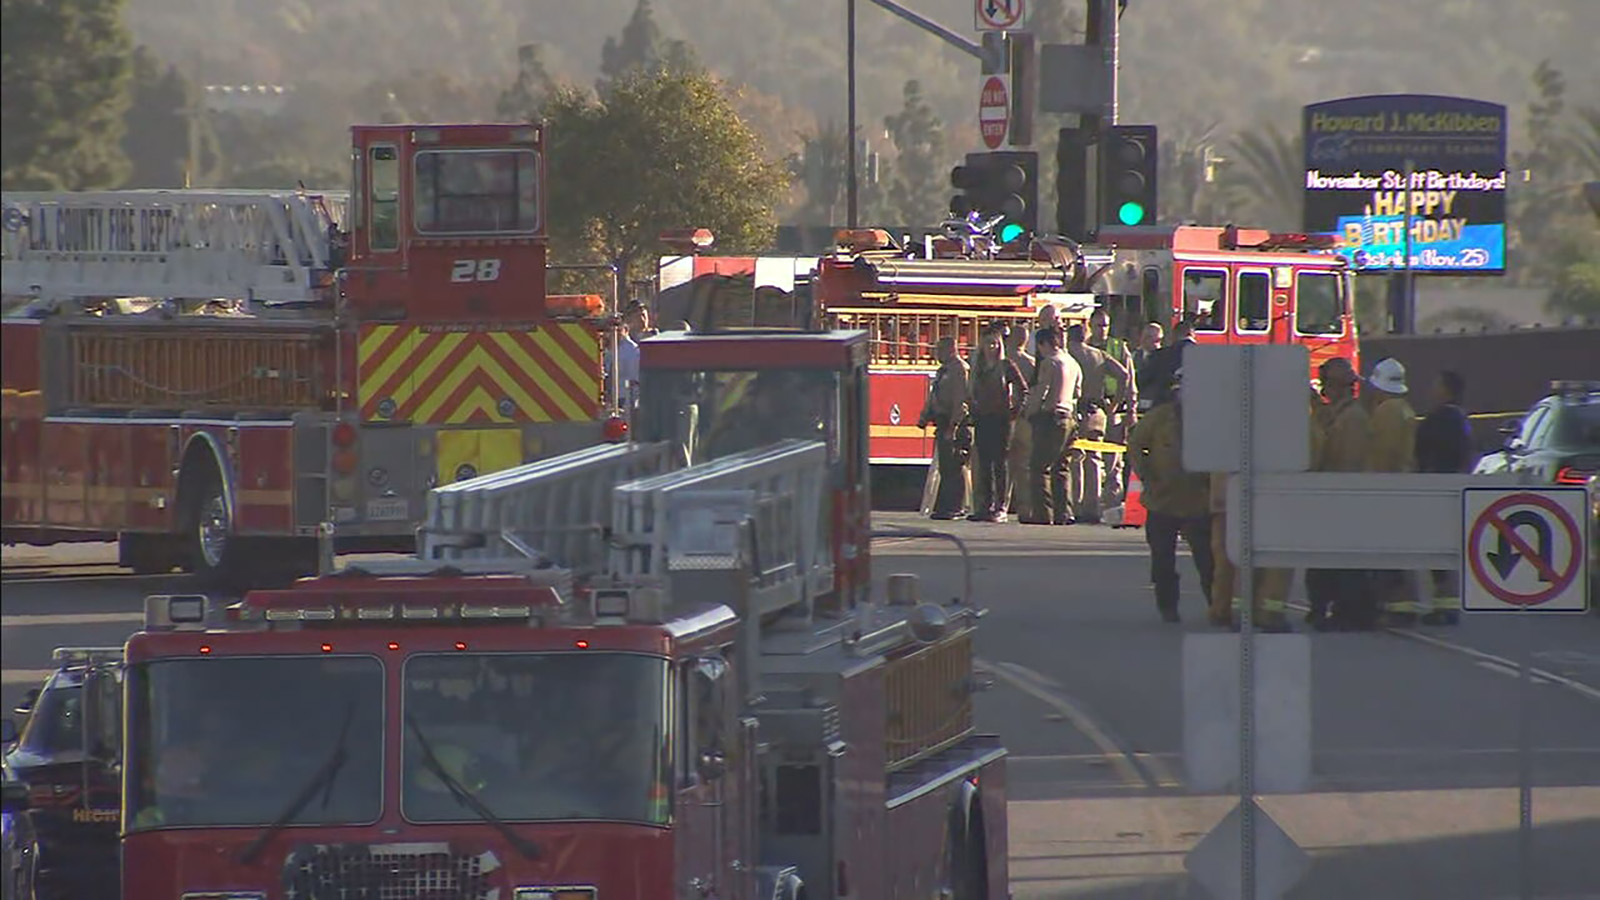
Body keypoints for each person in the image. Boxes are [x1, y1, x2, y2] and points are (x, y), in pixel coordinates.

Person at [1127, 367, 1214, 622]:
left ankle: (1217, 606)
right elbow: (1135, 445)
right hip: (1161, 500)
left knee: (1208, 562)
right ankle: (1168, 608)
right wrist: (1147, 475)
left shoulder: (1210, 420)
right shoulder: (1159, 418)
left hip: (1199, 501)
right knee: (1162, 561)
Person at [1305, 357, 1374, 630]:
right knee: (1324, 561)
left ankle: (1349, 612)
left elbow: (1347, 461)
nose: (1324, 391)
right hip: (1332, 498)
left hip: (1344, 498)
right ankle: (1323, 607)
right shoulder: (1338, 413)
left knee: (1343, 563)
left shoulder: (1353, 419)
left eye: (1326, 386)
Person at [1364, 357, 1421, 626]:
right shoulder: (1405, 409)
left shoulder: (1386, 412)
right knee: (1400, 550)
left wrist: (1373, 486)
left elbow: (1382, 455)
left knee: (1388, 552)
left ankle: (1397, 606)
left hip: (1388, 490)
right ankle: (1403, 603)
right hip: (1405, 487)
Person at [1415, 370, 1473, 625]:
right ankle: (1447, 604)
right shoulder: (1461, 419)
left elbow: (1423, 451)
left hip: (1436, 488)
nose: (1432, 390)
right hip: (1453, 488)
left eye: (1436, 385)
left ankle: (1444, 606)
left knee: (1438, 550)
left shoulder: (1440, 419)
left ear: (1447, 390)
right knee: (1448, 549)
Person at [1066, 323, 1129, 523]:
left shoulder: (1067, 355)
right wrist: (1115, 404)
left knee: (1074, 459)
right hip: (1096, 411)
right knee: (1093, 459)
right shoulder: (1099, 356)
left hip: (1075, 410)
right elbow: (1124, 375)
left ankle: (1075, 505)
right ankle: (1092, 507)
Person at [1021, 327, 1081, 525]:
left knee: (1039, 467)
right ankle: (1064, 513)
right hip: (1069, 418)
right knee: (1061, 468)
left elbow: (1043, 390)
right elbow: (1077, 392)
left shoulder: (1050, 362)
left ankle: (1043, 514)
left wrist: (1031, 411)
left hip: (1051, 418)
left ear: (1044, 344)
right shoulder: (1073, 363)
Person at [968, 323, 1026, 522]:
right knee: (983, 464)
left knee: (999, 464)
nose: (991, 347)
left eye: (994, 343)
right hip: (982, 418)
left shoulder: (1006, 365)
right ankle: (983, 506)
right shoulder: (978, 367)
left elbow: (1023, 389)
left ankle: (1001, 507)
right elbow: (972, 391)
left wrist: (1014, 411)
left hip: (1001, 420)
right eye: (987, 344)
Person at [919, 336, 971, 520]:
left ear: (951, 349)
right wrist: (925, 416)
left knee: (954, 466)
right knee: (945, 467)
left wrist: (954, 426)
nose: (936, 353)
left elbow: (961, 400)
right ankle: (945, 506)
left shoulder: (959, 370)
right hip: (941, 421)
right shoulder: (943, 370)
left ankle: (955, 507)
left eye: (940, 349)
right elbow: (934, 395)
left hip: (953, 423)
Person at [1004, 323, 1036, 518]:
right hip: (1025, 419)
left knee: (1004, 465)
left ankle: (1002, 505)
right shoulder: (1032, 363)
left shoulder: (1003, 361)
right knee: (1023, 465)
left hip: (1005, 418)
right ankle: (1025, 508)